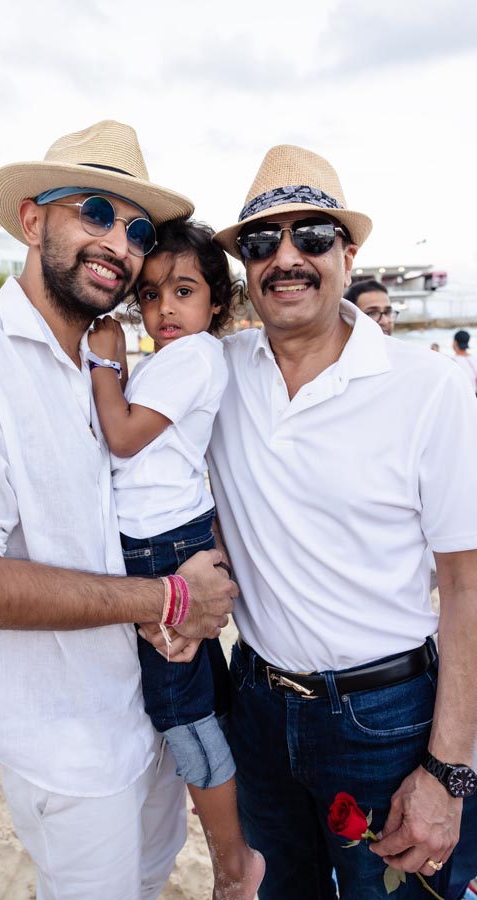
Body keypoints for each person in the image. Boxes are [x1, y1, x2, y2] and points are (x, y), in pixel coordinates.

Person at [0, 120, 237, 900]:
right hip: (68, 741)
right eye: (95, 212)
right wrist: (171, 598)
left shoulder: (113, 363)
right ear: (33, 220)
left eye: (137, 230)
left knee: (149, 881)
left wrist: (209, 565)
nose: (119, 242)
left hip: (152, 710)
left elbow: (160, 487)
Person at [207, 143, 477, 899]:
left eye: (313, 236)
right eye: (263, 242)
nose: (286, 257)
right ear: (246, 266)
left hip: (386, 720)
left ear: (348, 255)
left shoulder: (429, 388)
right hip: (255, 706)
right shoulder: (215, 374)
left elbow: (466, 587)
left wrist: (449, 771)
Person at [88, 218, 265, 900]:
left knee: (179, 710)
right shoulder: (182, 358)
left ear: (217, 301)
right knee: (197, 694)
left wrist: (107, 363)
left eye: (184, 291)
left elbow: (124, 437)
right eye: (151, 293)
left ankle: (233, 862)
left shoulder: (192, 356)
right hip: (169, 534)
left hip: (160, 544)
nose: (164, 307)